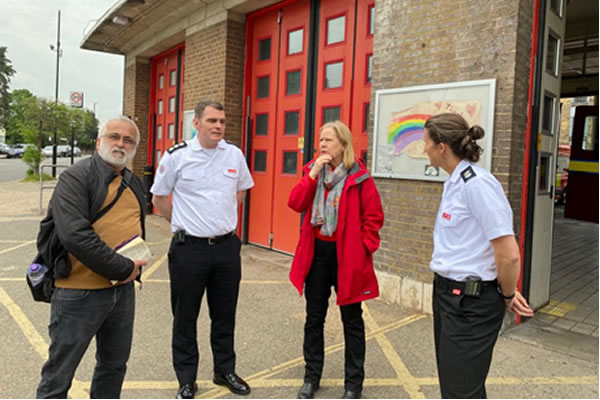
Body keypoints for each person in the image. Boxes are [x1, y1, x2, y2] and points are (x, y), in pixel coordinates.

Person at [423, 113, 534, 399]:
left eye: (426, 142)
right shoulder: (455, 183)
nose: (424, 149)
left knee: (461, 392)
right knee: (457, 387)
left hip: (470, 303)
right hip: (449, 296)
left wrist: (507, 295)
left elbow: (508, 255)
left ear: (442, 147)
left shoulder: (477, 185)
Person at [36, 116, 147, 398]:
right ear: (99, 142)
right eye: (114, 137)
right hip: (78, 294)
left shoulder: (132, 182)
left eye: (129, 140)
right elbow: (76, 236)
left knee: (113, 367)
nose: (121, 144)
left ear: (135, 147)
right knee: (59, 374)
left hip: (122, 292)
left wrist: (131, 267)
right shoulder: (76, 177)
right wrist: (124, 267)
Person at [151, 101, 254, 399]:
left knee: (225, 314)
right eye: (212, 120)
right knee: (185, 316)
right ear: (196, 123)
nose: (218, 126)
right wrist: (184, 223)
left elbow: (242, 189)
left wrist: (220, 218)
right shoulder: (177, 156)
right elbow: (159, 198)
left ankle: (225, 371)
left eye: (222, 120)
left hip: (225, 249)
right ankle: (186, 379)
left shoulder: (234, 154)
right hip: (189, 249)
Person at [288, 121, 384, 399]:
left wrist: (363, 247)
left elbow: (374, 218)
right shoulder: (313, 172)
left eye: (328, 140)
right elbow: (295, 203)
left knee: (352, 321)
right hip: (318, 253)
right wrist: (313, 173)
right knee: (313, 318)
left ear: (343, 144)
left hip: (348, 257)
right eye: (320, 139)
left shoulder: (360, 177)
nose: (322, 145)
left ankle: (353, 385)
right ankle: (311, 377)